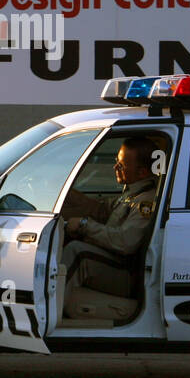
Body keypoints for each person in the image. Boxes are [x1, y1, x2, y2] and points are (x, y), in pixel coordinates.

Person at [59, 136, 162, 320]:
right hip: (114, 263)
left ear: (141, 172)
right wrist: (63, 191)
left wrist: (84, 225)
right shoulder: (132, 193)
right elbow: (100, 210)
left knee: (77, 252)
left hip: (126, 273)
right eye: (116, 162)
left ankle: (49, 310)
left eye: (121, 165)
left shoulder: (145, 201)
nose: (115, 167)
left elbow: (125, 242)